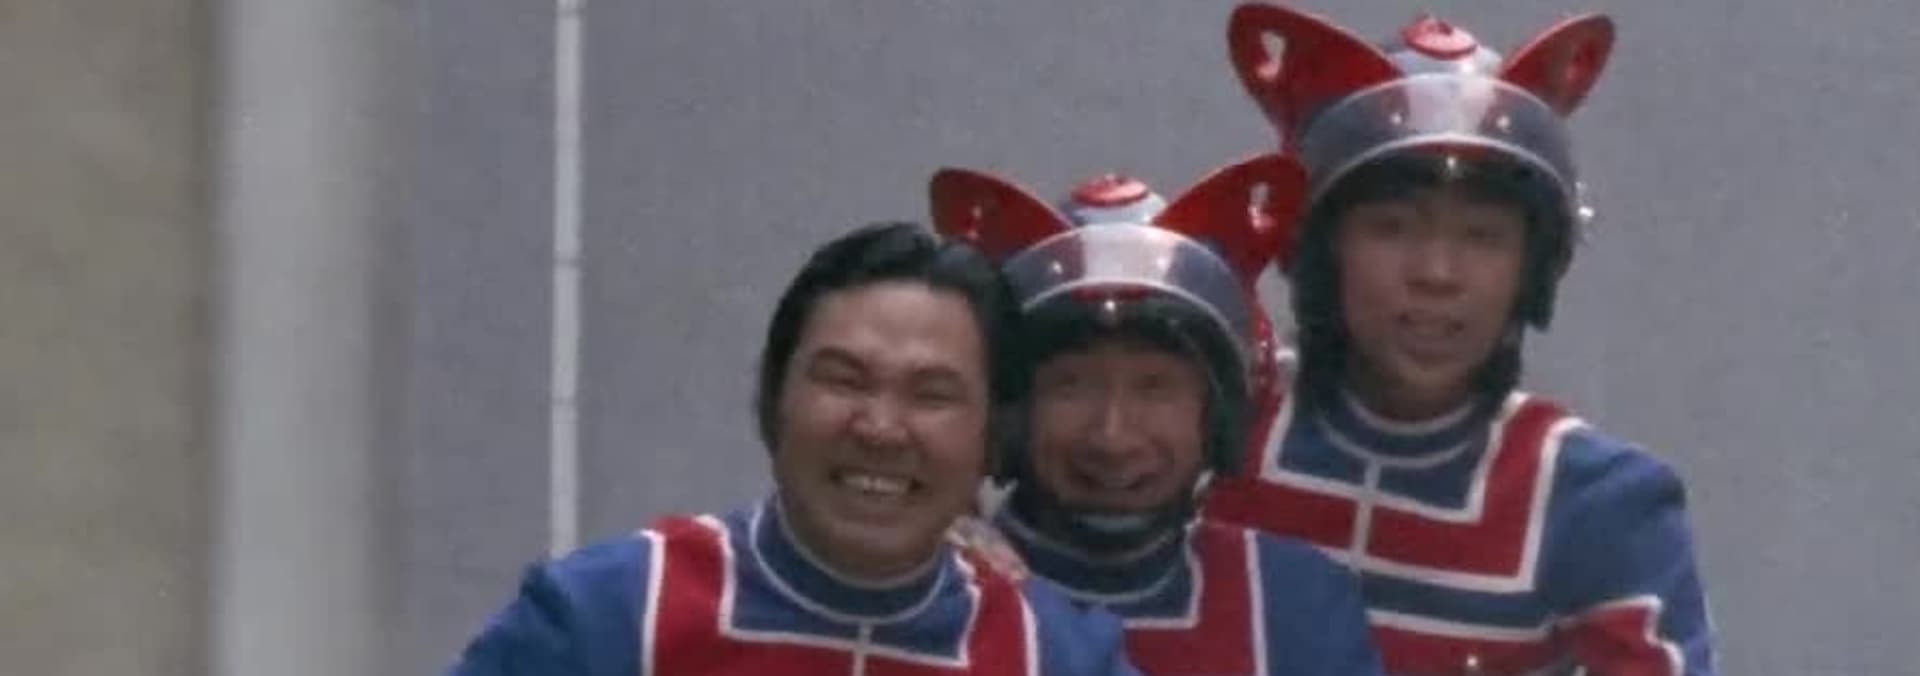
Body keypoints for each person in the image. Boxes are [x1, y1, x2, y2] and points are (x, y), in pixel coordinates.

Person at [1203, 4, 1715, 674]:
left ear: (1533, 268)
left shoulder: (1596, 502)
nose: (1437, 274)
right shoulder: (1211, 438)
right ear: (1321, 249)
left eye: (1483, 236)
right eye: (1391, 227)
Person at [448, 222, 1142, 675]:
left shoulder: (1057, 657)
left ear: (994, 437)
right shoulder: (612, 612)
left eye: (931, 394)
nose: (880, 427)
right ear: (772, 399)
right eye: (844, 380)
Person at [931, 164, 1382, 675]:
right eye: (1071, 386)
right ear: (1007, 411)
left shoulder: (1295, 604)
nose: (1113, 436)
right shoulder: (936, 598)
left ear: (1218, 414)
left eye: (1155, 388)